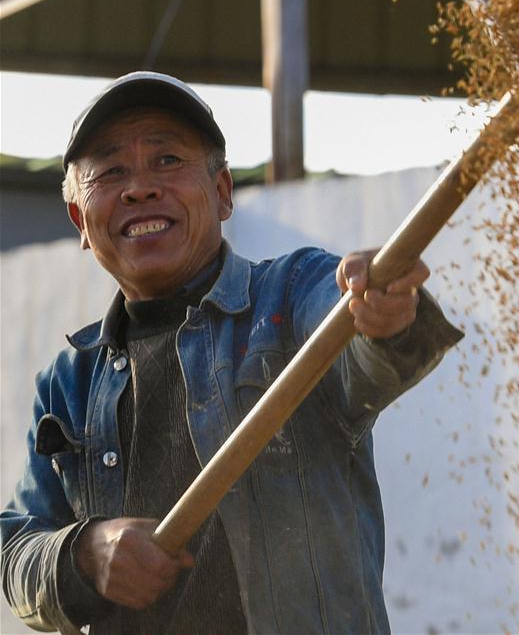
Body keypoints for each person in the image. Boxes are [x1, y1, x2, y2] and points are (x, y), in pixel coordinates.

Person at [1, 72, 462, 635]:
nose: (140, 188)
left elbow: (358, 335)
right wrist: (85, 553)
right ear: (80, 220)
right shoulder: (68, 384)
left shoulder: (292, 294)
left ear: (222, 193)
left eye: (168, 160)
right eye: (111, 171)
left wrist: (384, 315)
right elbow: (14, 550)